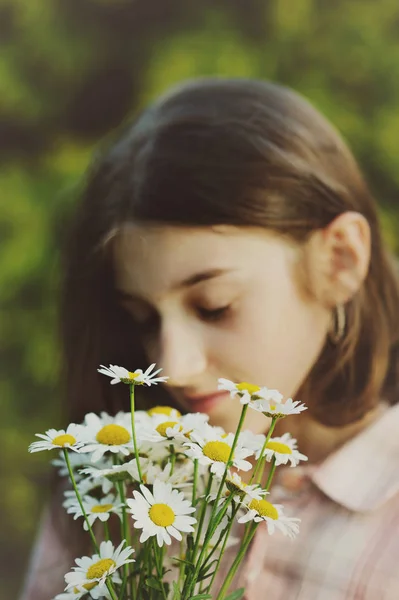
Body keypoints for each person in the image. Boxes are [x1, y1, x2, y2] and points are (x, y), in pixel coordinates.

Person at [21, 77, 399, 600]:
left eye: (214, 306)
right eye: (143, 319)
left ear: (340, 259)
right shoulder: (113, 478)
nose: (170, 365)